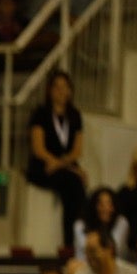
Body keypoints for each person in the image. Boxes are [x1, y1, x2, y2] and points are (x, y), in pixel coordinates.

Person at [26, 71, 87, 248]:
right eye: (57, 87)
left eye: (65, 87)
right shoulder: (41, 113)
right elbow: (38, 148)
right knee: (72, 182)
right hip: (42, 166)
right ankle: (70, 241)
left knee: (76, 184)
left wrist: (61, 164)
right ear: (49, 90)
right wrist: (57, 164)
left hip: (63, 165)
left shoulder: (74, 115)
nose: (61, 91)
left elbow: (77, 151)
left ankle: (75, 237)